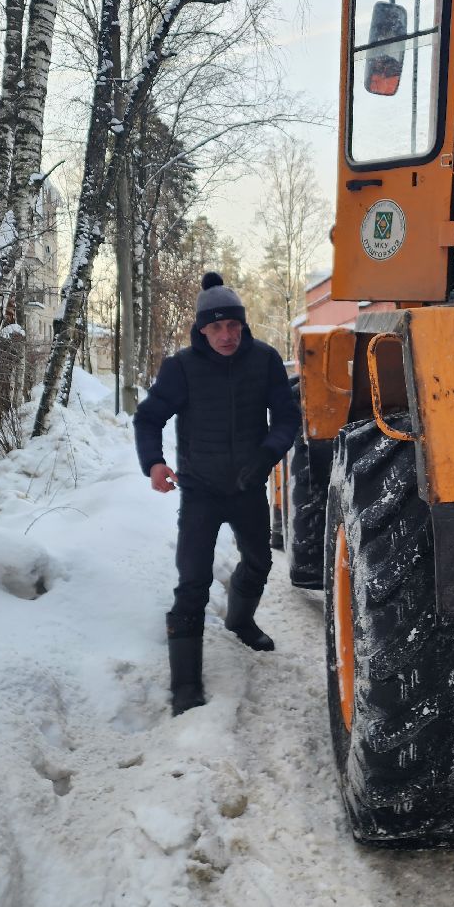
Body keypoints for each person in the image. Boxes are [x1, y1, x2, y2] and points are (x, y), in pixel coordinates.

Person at [134, 271, 302, 716]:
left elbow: (288, 418)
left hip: (248, 486)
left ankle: (241, 620)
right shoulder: (181, 368)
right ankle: (185, 683)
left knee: (260, 562)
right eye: (216, 327)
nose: (226, 335)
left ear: (243, 326)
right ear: (201, 330)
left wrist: (267, 454)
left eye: (233, 326)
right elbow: (148, 419)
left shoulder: (264, 361)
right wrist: (153, 463)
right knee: (193, 582)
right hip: (201, 492)